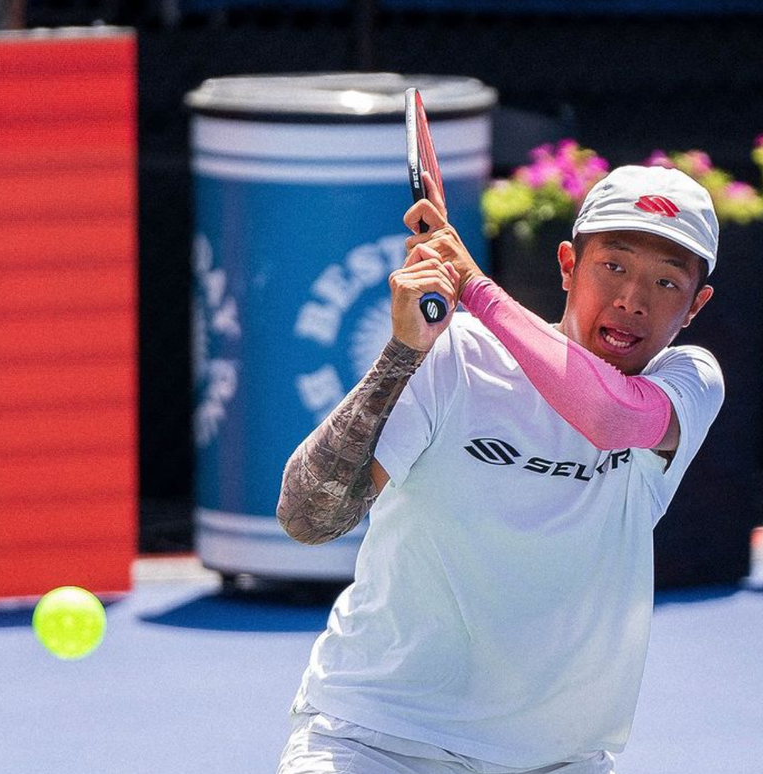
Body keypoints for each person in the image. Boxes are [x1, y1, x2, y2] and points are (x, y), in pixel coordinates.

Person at [275, 165, 724, 774]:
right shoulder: (454, 353)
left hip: (556, 760)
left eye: (666, 282)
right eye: (613, 266)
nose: (631, 300)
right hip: (376, 737)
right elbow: (308, 518)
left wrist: (476, 288)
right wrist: (405, 352)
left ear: (696, 306)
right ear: (568, 266)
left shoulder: (689, 382)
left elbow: (609, 416)